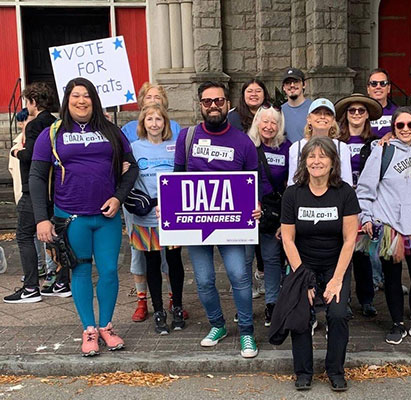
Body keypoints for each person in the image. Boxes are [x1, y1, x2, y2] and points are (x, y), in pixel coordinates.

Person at [30, 77, 139, 356]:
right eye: (75, 95)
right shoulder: (52, 133)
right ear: (67, 100)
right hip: (70, 216)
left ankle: (106, 326)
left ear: (94, 100)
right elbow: (37, 176)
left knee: (110, 270)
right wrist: (42, 219)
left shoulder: (111, 131)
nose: (81, 100)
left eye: (87, 95)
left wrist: (119, 197)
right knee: (79, 271)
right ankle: (89, 330)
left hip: (106, 216)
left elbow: (132, 169)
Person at [174, 81, 261, 358]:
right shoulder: (186, 138)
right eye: (208, 101)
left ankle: (246, 331)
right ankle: (217, 325)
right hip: (195, 222)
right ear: (200, 105)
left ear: (227, 104)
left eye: (219, 101)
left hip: (232, 222)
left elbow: (253, 182)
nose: (214, 105)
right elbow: (176, 179)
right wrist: (170, 212)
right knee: (204, 279)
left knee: (239, 275)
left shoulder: (242, 141)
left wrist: (256, 204)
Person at [356, 106, 411, 347]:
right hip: (390, 226)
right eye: (400, 125)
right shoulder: (382, 152)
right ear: (393, 127)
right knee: (392, 279)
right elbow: (365, 189)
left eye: (410, 125)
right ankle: (396, 324)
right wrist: (367, 217)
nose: (405, 129)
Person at [280, 136, 360, 392]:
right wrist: (303, 278)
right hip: (303, 263)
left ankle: (335, 369)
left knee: (337, 314)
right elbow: (288, 240)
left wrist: (337, 280)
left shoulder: (345, 192)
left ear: (332, 162)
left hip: (336, 263)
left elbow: (350, 240)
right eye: (311, 156)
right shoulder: (293, 194)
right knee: (301, 314)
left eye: (322, 156)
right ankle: (303, 371)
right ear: (304, 162)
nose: (316, 161)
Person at [120, 82, 185, 323]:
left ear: (165, 123)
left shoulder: (175, 147)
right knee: (152, 262)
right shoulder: (134, 148)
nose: (155, 123)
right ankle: (157, 309)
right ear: (143, 123)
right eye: (150, 120)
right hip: (146, 214)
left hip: (172, 215)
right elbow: (126, 178)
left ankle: (177, 305)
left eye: (159, 119)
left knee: (175, 262)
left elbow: (183, 175)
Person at [4, 82, 72, 304]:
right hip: (55, 189)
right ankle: (62, 282)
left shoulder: (35, 125)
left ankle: (30, 287)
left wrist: (16, 151)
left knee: (24, 236)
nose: (26, 105)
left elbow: (33, 156)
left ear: (33, 102)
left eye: (27, 101)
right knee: (54, 236)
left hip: (34, 189)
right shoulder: (56, 123)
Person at [334, 93, 383, 317]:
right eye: (352, 110)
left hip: (364, 201)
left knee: (363, 253)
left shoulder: (375, 142)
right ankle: (342, 298)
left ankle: (367, 298)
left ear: (367, 116)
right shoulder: (337, 142)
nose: (356, 114)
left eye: (360, 111)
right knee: (342, 251)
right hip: (341, 200)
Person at [227, 78, 271, 300]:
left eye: (258, 90)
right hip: (240, 183)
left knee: (265, 235)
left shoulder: (273, 112)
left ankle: (262, 274)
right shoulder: (233, 116)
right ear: (243, 95)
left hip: (267, 177)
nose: (254, 94)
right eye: (249, 91)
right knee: (244, 238)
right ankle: (245, 282)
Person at [247, 104, 291, 326]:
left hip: (274, 212)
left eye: (274, 122)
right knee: (245, 260)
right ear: (257, 123)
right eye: (265, 121)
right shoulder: (247, 146)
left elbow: (292, 180)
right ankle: (243, 307)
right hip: (247, 212)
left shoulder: (286, 148)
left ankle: (272, 304)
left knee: (273, 259)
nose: (269, 126)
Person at [287, 98, 353, 186]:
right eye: (317, 113)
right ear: (309, 119)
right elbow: (292, 182)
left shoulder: (341, 148)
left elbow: (347, 182)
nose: (322, 117)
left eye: (328, 114)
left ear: (333, 120)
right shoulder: (296, 147)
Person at [281, 68, 312, 143]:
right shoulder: (279, 111)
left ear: (304, 85)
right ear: (283, 88)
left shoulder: (313, 109)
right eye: (288, 83)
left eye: (296, 82)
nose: (292, 85)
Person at [367, 68, 397, 138]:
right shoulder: (360, 112)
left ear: (388, 88)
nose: (378, 87)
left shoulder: (398, 112)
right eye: (374, 84)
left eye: (383, 83)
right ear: (368, 89)